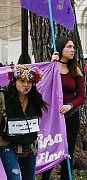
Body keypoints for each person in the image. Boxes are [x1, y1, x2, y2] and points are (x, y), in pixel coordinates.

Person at [0, 64, 46, 180]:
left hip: (29, 145)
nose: (26, 85)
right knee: (14, 178)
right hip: (7, 143)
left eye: (29, 82)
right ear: (14, 81)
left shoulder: (35, 99)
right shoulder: (2, 96)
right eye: (22, 81)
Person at [42, 37, 85, 180]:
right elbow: (43, 87)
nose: (73, 50)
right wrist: (52, 64)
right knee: (52, 149)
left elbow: (81, 96)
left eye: (73, 47)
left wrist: (70, 105)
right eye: (69, 47)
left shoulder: (76, 69)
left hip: (71, 116)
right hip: (53, 117)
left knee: (68, 152)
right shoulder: (52, 67)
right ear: (61, 49)